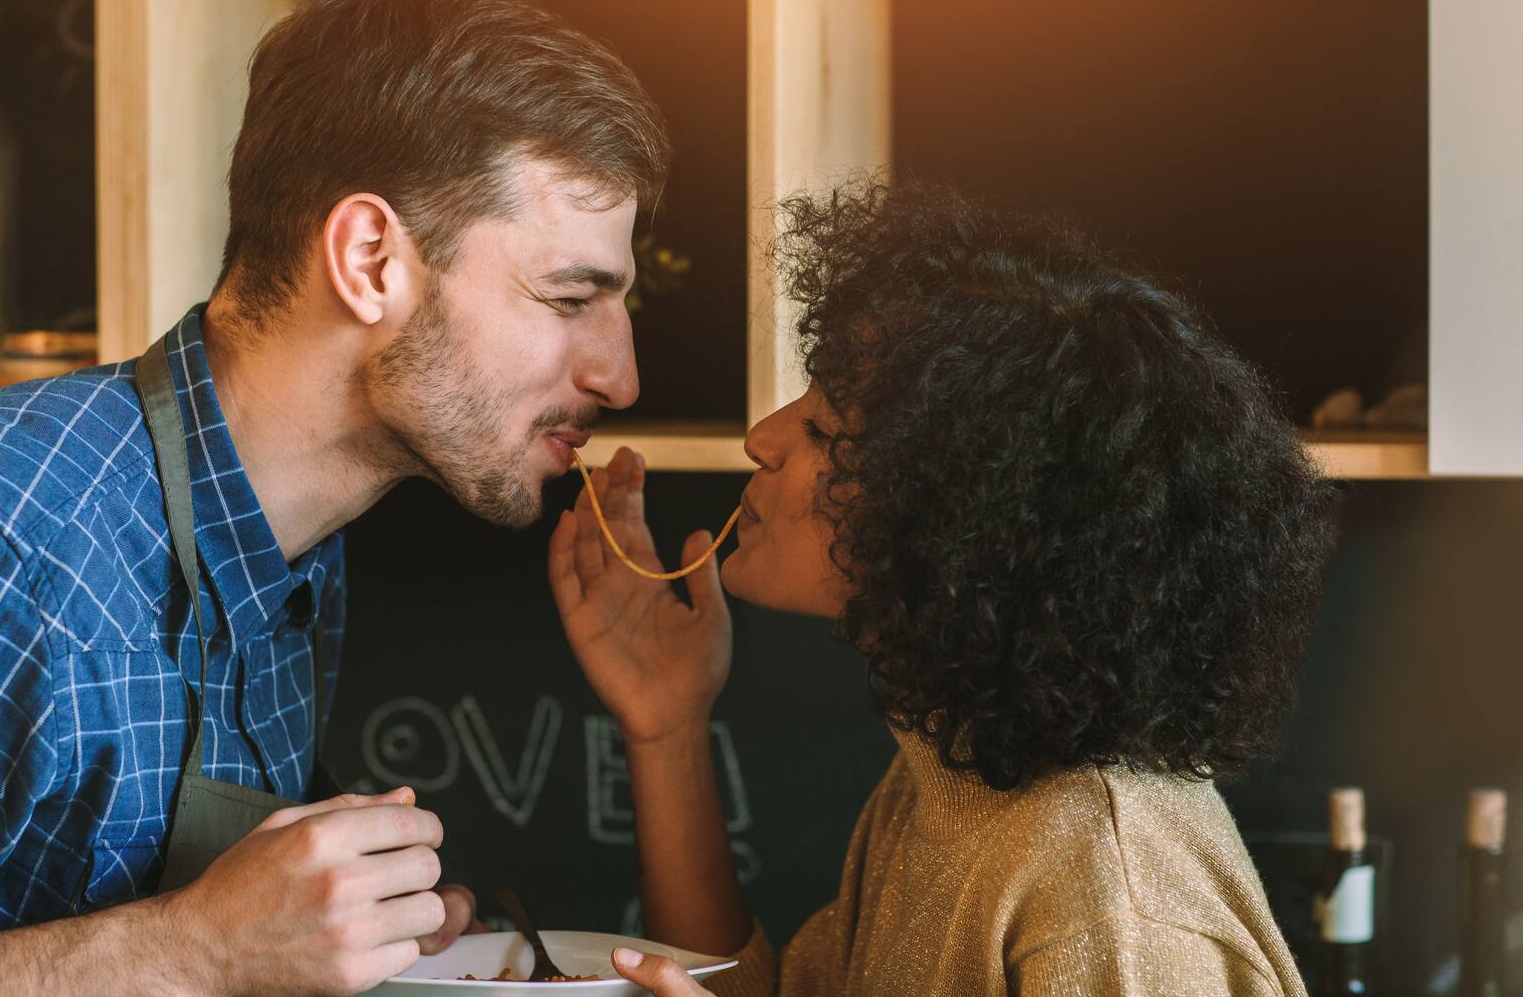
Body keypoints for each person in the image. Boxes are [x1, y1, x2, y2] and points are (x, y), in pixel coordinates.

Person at [0, 0, 668, 997]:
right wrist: (193, 949)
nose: (618, 375)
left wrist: (363, 933)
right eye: (571, 297)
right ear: (369, 261)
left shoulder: (294, 547)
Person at [551, 179, 1336, 996]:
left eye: (823, 429)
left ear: (960, 513)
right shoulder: (957, 767)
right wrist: (668, 729)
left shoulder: (1111, 902)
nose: (764, 439)